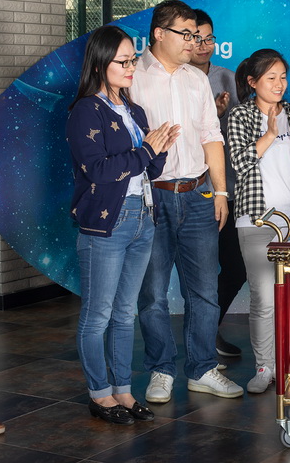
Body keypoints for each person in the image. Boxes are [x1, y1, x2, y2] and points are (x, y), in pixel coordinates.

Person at [132, 0, 243, 403]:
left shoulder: (197, 79)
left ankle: (202, 369)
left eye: (197, 35)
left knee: (205, 290)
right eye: (186, 34)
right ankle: (161, 371)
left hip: (198, 194)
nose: (194, 42)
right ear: (159, 34)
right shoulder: (132, 76)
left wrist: (221, 192)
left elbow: (211, 135)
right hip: (151, 197)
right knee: (153, 293)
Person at [67, 25, 178, 424]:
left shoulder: (134, 111)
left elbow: (147, 168)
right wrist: (147, 149)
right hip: (107, 224)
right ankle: (100, 395)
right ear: (100, 64)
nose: (132, 67)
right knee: (98, 314)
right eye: (124, 61)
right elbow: (98, 170)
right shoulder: (86, 111)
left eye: (133, 59)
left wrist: (160, 148)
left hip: (142, 217)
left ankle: (123, 391)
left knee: (125, 312)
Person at [229, 49, 290, 393]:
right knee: (264, 297)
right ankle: (265, 367)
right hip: (256, 220)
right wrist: (269, 134)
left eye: (283, 77)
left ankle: (285, 366)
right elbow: (240, 164)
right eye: (271, 78)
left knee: (284, 296)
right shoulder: (240, 115)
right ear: (253, 82)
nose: (279, 84)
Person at [191, 8, 244, 358]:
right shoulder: (175, 79)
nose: (204, 45)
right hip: (192, 192)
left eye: (209, 38)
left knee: (235, 267)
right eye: (196, 38)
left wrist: (224, 116)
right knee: (201, 272)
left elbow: (240, 134)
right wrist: (213, 115)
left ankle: (208, 332)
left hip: (228, 190)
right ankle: (199, 343)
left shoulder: (227, 78)